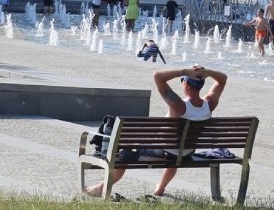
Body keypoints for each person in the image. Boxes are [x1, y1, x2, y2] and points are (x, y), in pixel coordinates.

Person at [85, 65, 227, 200]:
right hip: (187, 152)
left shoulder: (178, 105)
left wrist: (184, 71)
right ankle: (160, 188)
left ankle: (101, 188)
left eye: (182, 80)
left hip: (166, 151)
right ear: (201, 85)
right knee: (174, 149)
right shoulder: (209, 104)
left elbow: (157, 76)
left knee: (125, 151)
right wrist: (208, 72)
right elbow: (223, 79)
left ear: (185, 84)